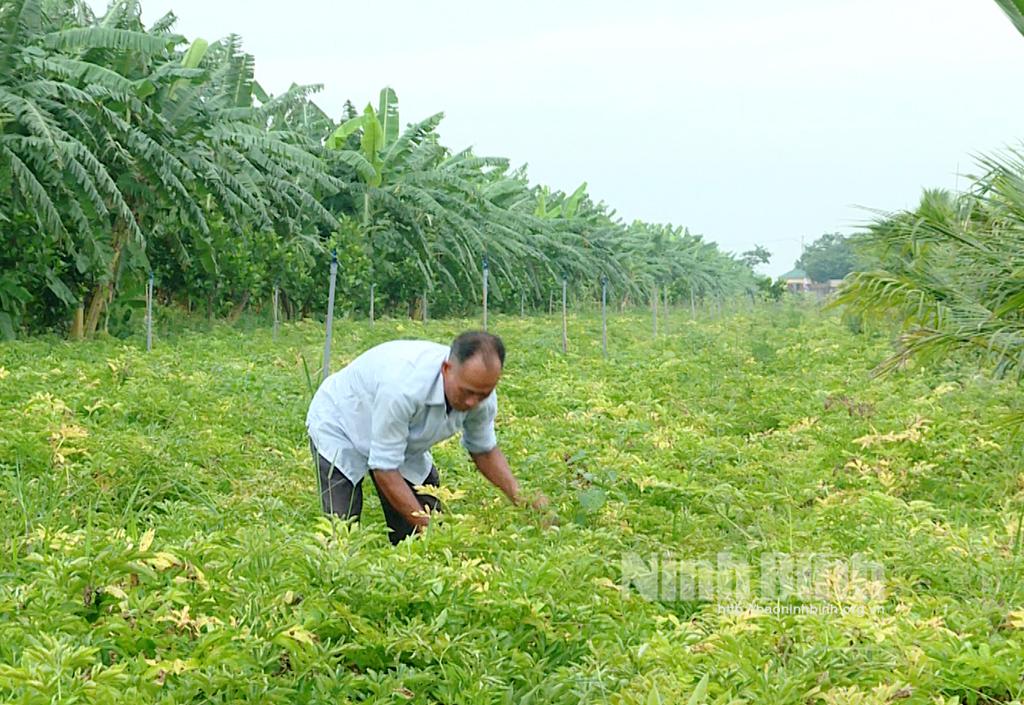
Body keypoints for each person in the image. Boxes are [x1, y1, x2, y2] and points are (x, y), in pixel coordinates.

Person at [306, 330, 548, 544]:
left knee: (421, 528)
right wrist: (429, 529)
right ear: (446, 369)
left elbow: (483, 450)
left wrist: (523, 498)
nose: (473, 402)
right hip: (342, 424)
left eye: (483, 394)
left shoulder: (480, 395)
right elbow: (384, 469)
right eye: (467, 392)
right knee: (342, 529)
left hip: (400, 440)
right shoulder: (403, 387)